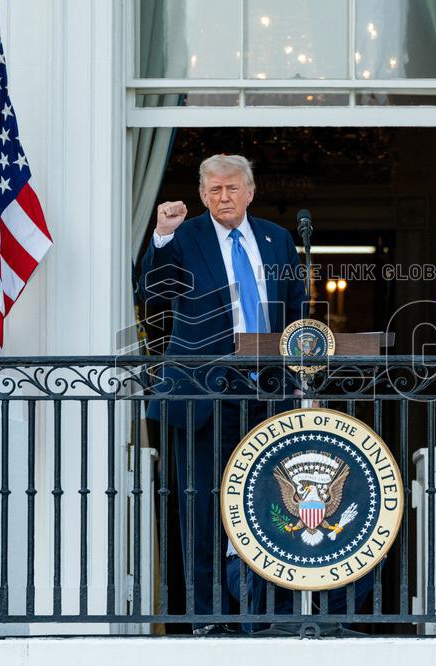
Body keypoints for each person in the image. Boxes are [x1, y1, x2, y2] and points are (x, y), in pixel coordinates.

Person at [139, 154, 306, 634]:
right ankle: (208, 617)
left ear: (250, 192)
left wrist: (295, 373)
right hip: (202, 393)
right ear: (201, 194)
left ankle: (270, 614)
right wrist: (162, 235)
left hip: (267, 393)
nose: (223, 198)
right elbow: (154, 290)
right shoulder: (185, 236)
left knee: (271, 505)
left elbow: (294, 310)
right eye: (213, 191)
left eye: (232, 189)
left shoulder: (276, 240)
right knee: (202, 506)